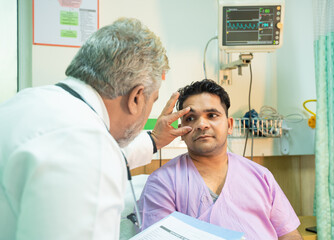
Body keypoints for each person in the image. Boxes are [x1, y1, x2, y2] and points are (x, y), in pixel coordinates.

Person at [0, 18, 192, 240]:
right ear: (137, 97)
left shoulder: (28, 102)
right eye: (153, 100)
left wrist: (155, 140)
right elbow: (90, 153)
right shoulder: (89, 146)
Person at [137, 79, 303, 240]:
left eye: (212, 115)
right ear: (181, 131)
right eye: (191, 118)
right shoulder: (162, 183)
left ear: (230, 125)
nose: (202, 124)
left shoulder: (261, 176)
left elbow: (289, 234)